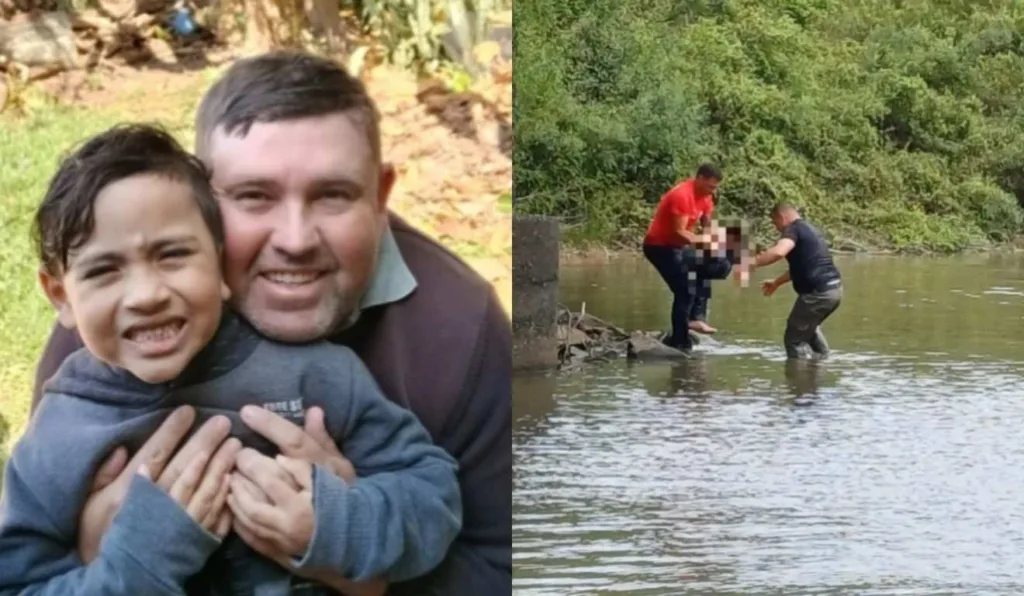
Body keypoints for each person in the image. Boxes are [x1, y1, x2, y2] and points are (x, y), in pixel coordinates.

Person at [28, 51, 511, 595]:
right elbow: (30, 555)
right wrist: (99, 553)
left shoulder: (461, 327)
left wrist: (350, 559)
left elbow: (497, 562)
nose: (295, 239)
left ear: (380, 196)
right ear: (197, 199)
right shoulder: (111, 327)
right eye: (254, 196)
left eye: (332, 194)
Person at [642, 163, 732, 350]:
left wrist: (717, 244)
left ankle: (696, 318)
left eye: (715, 187)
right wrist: (705, 242)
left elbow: (708, 225)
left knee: (716, 263)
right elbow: (679, 232)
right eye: (710, 186)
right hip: (660, 247)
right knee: (685, 290)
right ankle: (680, 342)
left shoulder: (706, 197)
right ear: (699, 178)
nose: (712, 191)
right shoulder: (682, 196)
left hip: (679, 246)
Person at [750, 203, 842, 359]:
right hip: (834, 291)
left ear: (782, 217)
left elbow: (779, 252)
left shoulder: (793, 229)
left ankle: (799, 381)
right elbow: (804, 266)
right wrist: (777, 282)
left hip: (817, 294)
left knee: (794, 340)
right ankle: (821, 365)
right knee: (809, 330)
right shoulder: (810, 229)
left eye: (775, 222)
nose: (776, 228)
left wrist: (751, 262)